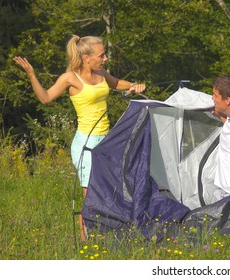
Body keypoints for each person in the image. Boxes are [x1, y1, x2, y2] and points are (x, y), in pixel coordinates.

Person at [13, 35, 146, 241]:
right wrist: (31, 73)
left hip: (106, 141)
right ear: (86, 57)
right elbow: (45, 98)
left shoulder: (101, 73)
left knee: (111, 188)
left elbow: (117, 83)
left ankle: (106, 233)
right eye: (101, 55)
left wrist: (134, 85)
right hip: (86, 143)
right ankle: (85, 240)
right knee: (91, 194)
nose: (105, 58)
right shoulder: (70, 78)